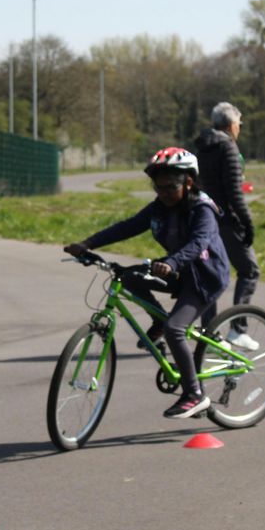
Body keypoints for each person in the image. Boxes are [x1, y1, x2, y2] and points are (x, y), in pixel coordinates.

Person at [64, 147, 231, 418]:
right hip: (177, 270)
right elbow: (127, 226)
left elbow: (198, 242)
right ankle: (158, 322)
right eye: (158, 187)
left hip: (204, 277)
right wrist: (87, 244)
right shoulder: (159, 208)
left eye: (170, 187)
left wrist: (173, 263)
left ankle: (194, 394)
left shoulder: (202, 208)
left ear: (188, 182)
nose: (163, 192)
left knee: (176, 329)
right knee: (127, 277)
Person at [193, 102, 261, 349]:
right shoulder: (228, 147)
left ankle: (209, 333)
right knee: (249, 270)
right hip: (227, 220)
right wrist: (247, 222)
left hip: (206, 219)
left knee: (211, 276)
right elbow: (234, 192)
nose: (239, 129)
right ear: (232, 125)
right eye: (238, 125)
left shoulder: (202, 147)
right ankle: (238, 329)